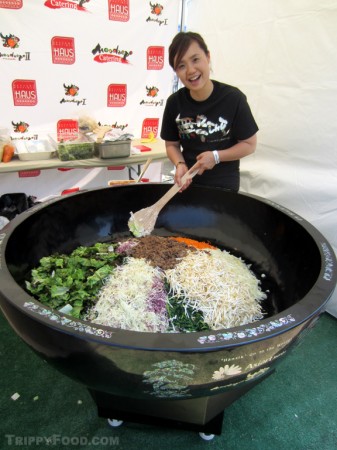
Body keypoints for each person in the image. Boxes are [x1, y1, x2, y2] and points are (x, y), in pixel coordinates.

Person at [160, 31, 258, 192]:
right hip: (188, 184)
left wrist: (216, 156)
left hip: (224, 187)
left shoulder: (233, 99)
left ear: (208, 56)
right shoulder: (174, 103)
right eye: (181, 65)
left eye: (195, 59)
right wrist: (180, 164)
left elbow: (250, 144)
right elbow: (171, 144)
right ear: (176, 72)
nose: (190, 70)